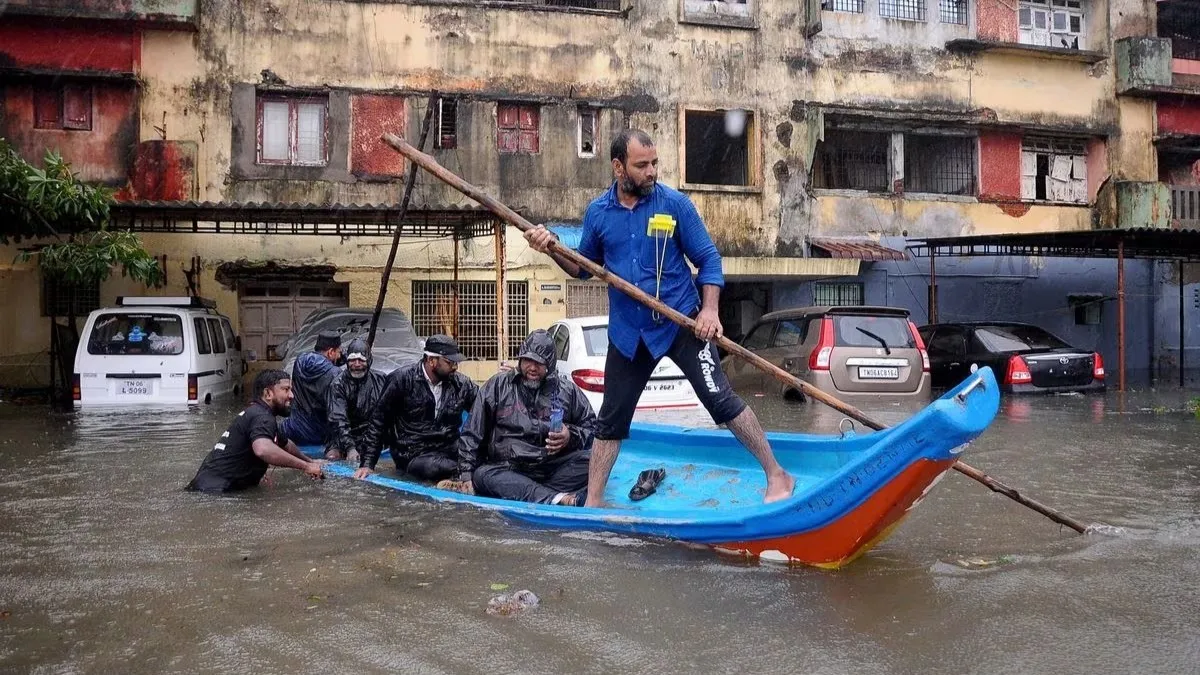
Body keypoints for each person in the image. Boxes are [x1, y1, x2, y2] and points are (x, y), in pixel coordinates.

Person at [524, 128, 795, 507]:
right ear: (619, 167)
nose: (651, 172)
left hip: (681, 323)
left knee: (722, 401)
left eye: (654, 163)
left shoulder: (674, 205)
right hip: (629, 334)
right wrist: (550, 246)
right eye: (641, 165)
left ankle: (777, 475)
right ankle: (595, 502)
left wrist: (711, 310)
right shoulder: (599, 213)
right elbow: (582, 268)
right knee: (610, 421)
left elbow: (709, 260)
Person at [447, 329, 596, 506]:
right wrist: (465, 473)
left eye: (539, 363)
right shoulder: (498, 385)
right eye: (528, 360)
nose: (532, 368)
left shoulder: (567, 391)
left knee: (594, 462)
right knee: (482, 475)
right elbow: (472, 432)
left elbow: (592, 429)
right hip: (509, 468)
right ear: (520, 359)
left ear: (549, 364)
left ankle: (533, 493)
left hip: (551, 468)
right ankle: (557, 498)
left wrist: (570, 435)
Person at [354, 334, 478, 482]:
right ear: (431, 361)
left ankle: (465, 474)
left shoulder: (461, 383)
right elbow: (379, 421)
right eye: (449, 362)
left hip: (449, 449)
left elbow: (485, 410)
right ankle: (464, 475)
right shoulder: (401, 379)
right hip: (413, 453)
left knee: (480, 459)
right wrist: (368, 464)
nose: (455, 367)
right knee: (435, 468)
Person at [186, 369, 325, 493]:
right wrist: (305, 466)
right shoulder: (262, 417)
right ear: (268, 393)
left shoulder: (257, 413)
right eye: (286, 389)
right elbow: (263, 449)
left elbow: (286, 444)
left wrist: (311, 461)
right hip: (215, 493)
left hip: (207, 489)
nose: (292, 395)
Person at [325, 337, 387, 462]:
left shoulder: (381, 380)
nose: (357, 364)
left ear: (369, 361)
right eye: (352, 360)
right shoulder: (338, 384)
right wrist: (350, 448)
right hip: (343, 436)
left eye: (361, 360)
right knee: (332, 456)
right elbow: (338, 420)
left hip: (372, 434)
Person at [281, 331, 342, 446]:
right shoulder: (336, 373)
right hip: (318, 436)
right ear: (330, 352)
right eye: (338, 352)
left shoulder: (299, 361)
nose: (339, 356)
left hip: (292, 429)